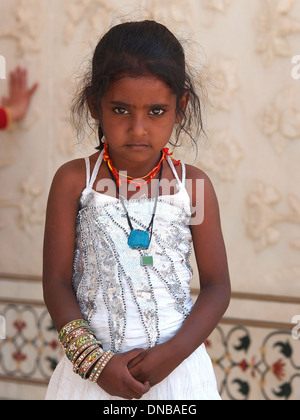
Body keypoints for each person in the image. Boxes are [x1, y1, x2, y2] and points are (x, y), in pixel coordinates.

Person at [43, 20, 231, 400]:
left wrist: (170, 356)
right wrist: (93, 362)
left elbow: (217, 286)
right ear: (96, 105)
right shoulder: (73, 182)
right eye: (121, 110)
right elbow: (56, 283)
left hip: (177, 379)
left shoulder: (192, 186)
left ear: (181, 108)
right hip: (92, 379)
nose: (139, 129)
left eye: (157, 111)